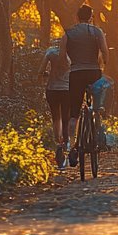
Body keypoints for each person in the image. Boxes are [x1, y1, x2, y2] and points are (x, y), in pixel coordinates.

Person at [64, 5, 108, 164]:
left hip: (75, 74)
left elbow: (63, 55)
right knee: (98, 102)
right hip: (94, 73)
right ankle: (97, 131)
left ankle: (71, 145)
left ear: (77, 17)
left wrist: (73, 62)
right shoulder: (97, 31)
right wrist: (105, 65)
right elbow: (104, 51)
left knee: (74, 113)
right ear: (91, 17)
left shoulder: (69, 33)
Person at [41, 36, 71, 165]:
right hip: (67, 90)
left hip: (52, 89)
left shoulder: (50, 52)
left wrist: (46, 74)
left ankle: (58, 144)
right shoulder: (71, 54)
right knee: (66, 117)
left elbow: (40, 70)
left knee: (56, 117)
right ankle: (67, 142)